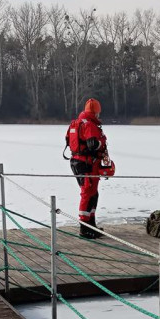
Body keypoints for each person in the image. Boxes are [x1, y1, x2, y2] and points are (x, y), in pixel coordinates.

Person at [69, 98, 108, 239]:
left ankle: (91, 225)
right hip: (87, 163)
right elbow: (92, 144)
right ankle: (85, 228)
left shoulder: (75, 123)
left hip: (76, 162)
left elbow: (69, 140)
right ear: (96, 112)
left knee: (92, 193)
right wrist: (101, 143)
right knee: (88, 193)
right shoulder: (90, 125)